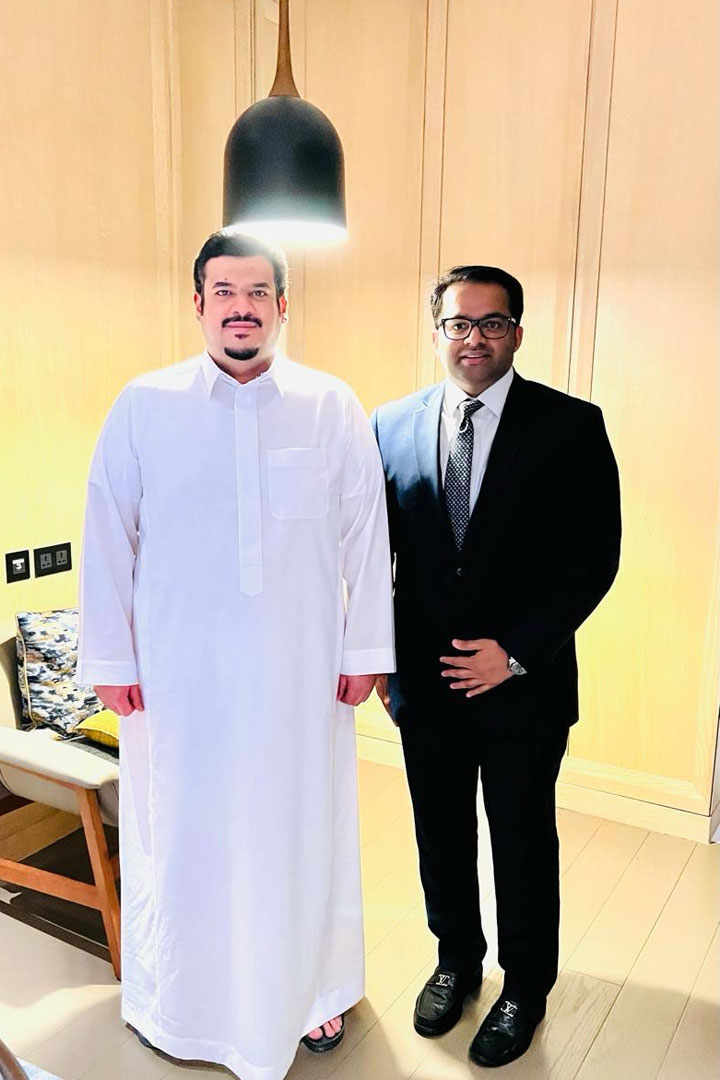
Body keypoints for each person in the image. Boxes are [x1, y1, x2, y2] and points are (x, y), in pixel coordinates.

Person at [77, 230, 395, 1080]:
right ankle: (179, 1005)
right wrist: (111, 659)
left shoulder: (330, 405)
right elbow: (106, 533)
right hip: (177, 681)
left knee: (304, 829)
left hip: (301, 676)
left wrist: (367, 647)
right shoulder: (144, 404)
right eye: (224, 291)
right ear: (198, 304)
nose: (241, 307)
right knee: (182, 835)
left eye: (258, 292)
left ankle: (314, 991)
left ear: (283, 306)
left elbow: (367, 536)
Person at [371, 265, 620, 1068]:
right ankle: (456, 960)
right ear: (436, 331)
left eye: (491, 323)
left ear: (516, 331)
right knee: (439, 833)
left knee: (520, 838)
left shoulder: (571, 426)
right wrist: (379, 660)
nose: (473, 338)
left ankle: (525, 987)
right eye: (458, 323)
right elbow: (372, 556)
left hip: (524, 686)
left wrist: (512, 652)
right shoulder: (389, 424)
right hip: (426, 684)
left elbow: (594, 560)